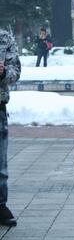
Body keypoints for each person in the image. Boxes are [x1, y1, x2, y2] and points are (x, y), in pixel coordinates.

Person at [0, 28, 21, 226]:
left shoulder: (5, 37)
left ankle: (0, 206)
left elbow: (16, 71)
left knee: (0, 165)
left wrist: (4, 72)